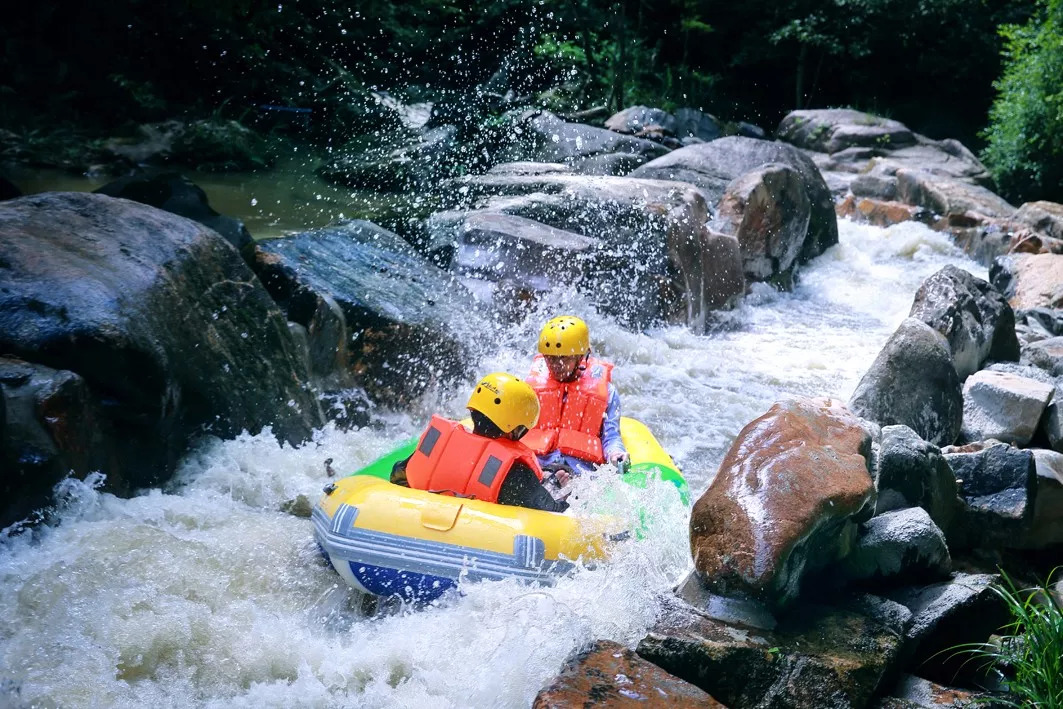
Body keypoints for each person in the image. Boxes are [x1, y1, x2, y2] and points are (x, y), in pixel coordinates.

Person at [390, 372, 567, 512]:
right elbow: (552, 512)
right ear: (514, 429)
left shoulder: (438, 443)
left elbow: (398, 474)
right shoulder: (514, 472)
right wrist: (554, 485)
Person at [522, 315, 628, 480]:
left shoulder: (608, 393)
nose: (556, 365)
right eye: (550, 358)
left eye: (564, 357)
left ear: (581, 357)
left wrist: (616, 454)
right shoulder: (529, 389)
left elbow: (611, 436)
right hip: (539, 465)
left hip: (579, 470)